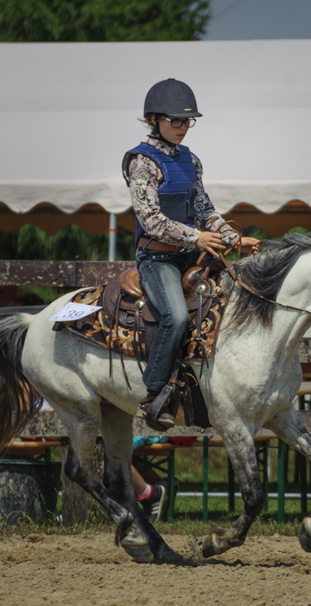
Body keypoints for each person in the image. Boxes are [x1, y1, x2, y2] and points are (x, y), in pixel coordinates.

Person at [122, 78, 259, 431]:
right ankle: (154, 395)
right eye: (176, 121)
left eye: (187, 121)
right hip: (158, 260)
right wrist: (197, 237)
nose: (183, 127)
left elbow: (204, 210)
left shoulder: (190, 160)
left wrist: (233, 239)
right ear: (154, 119)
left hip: (190, 256)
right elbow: (151, 220)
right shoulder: (142, 163)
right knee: (177, 316)